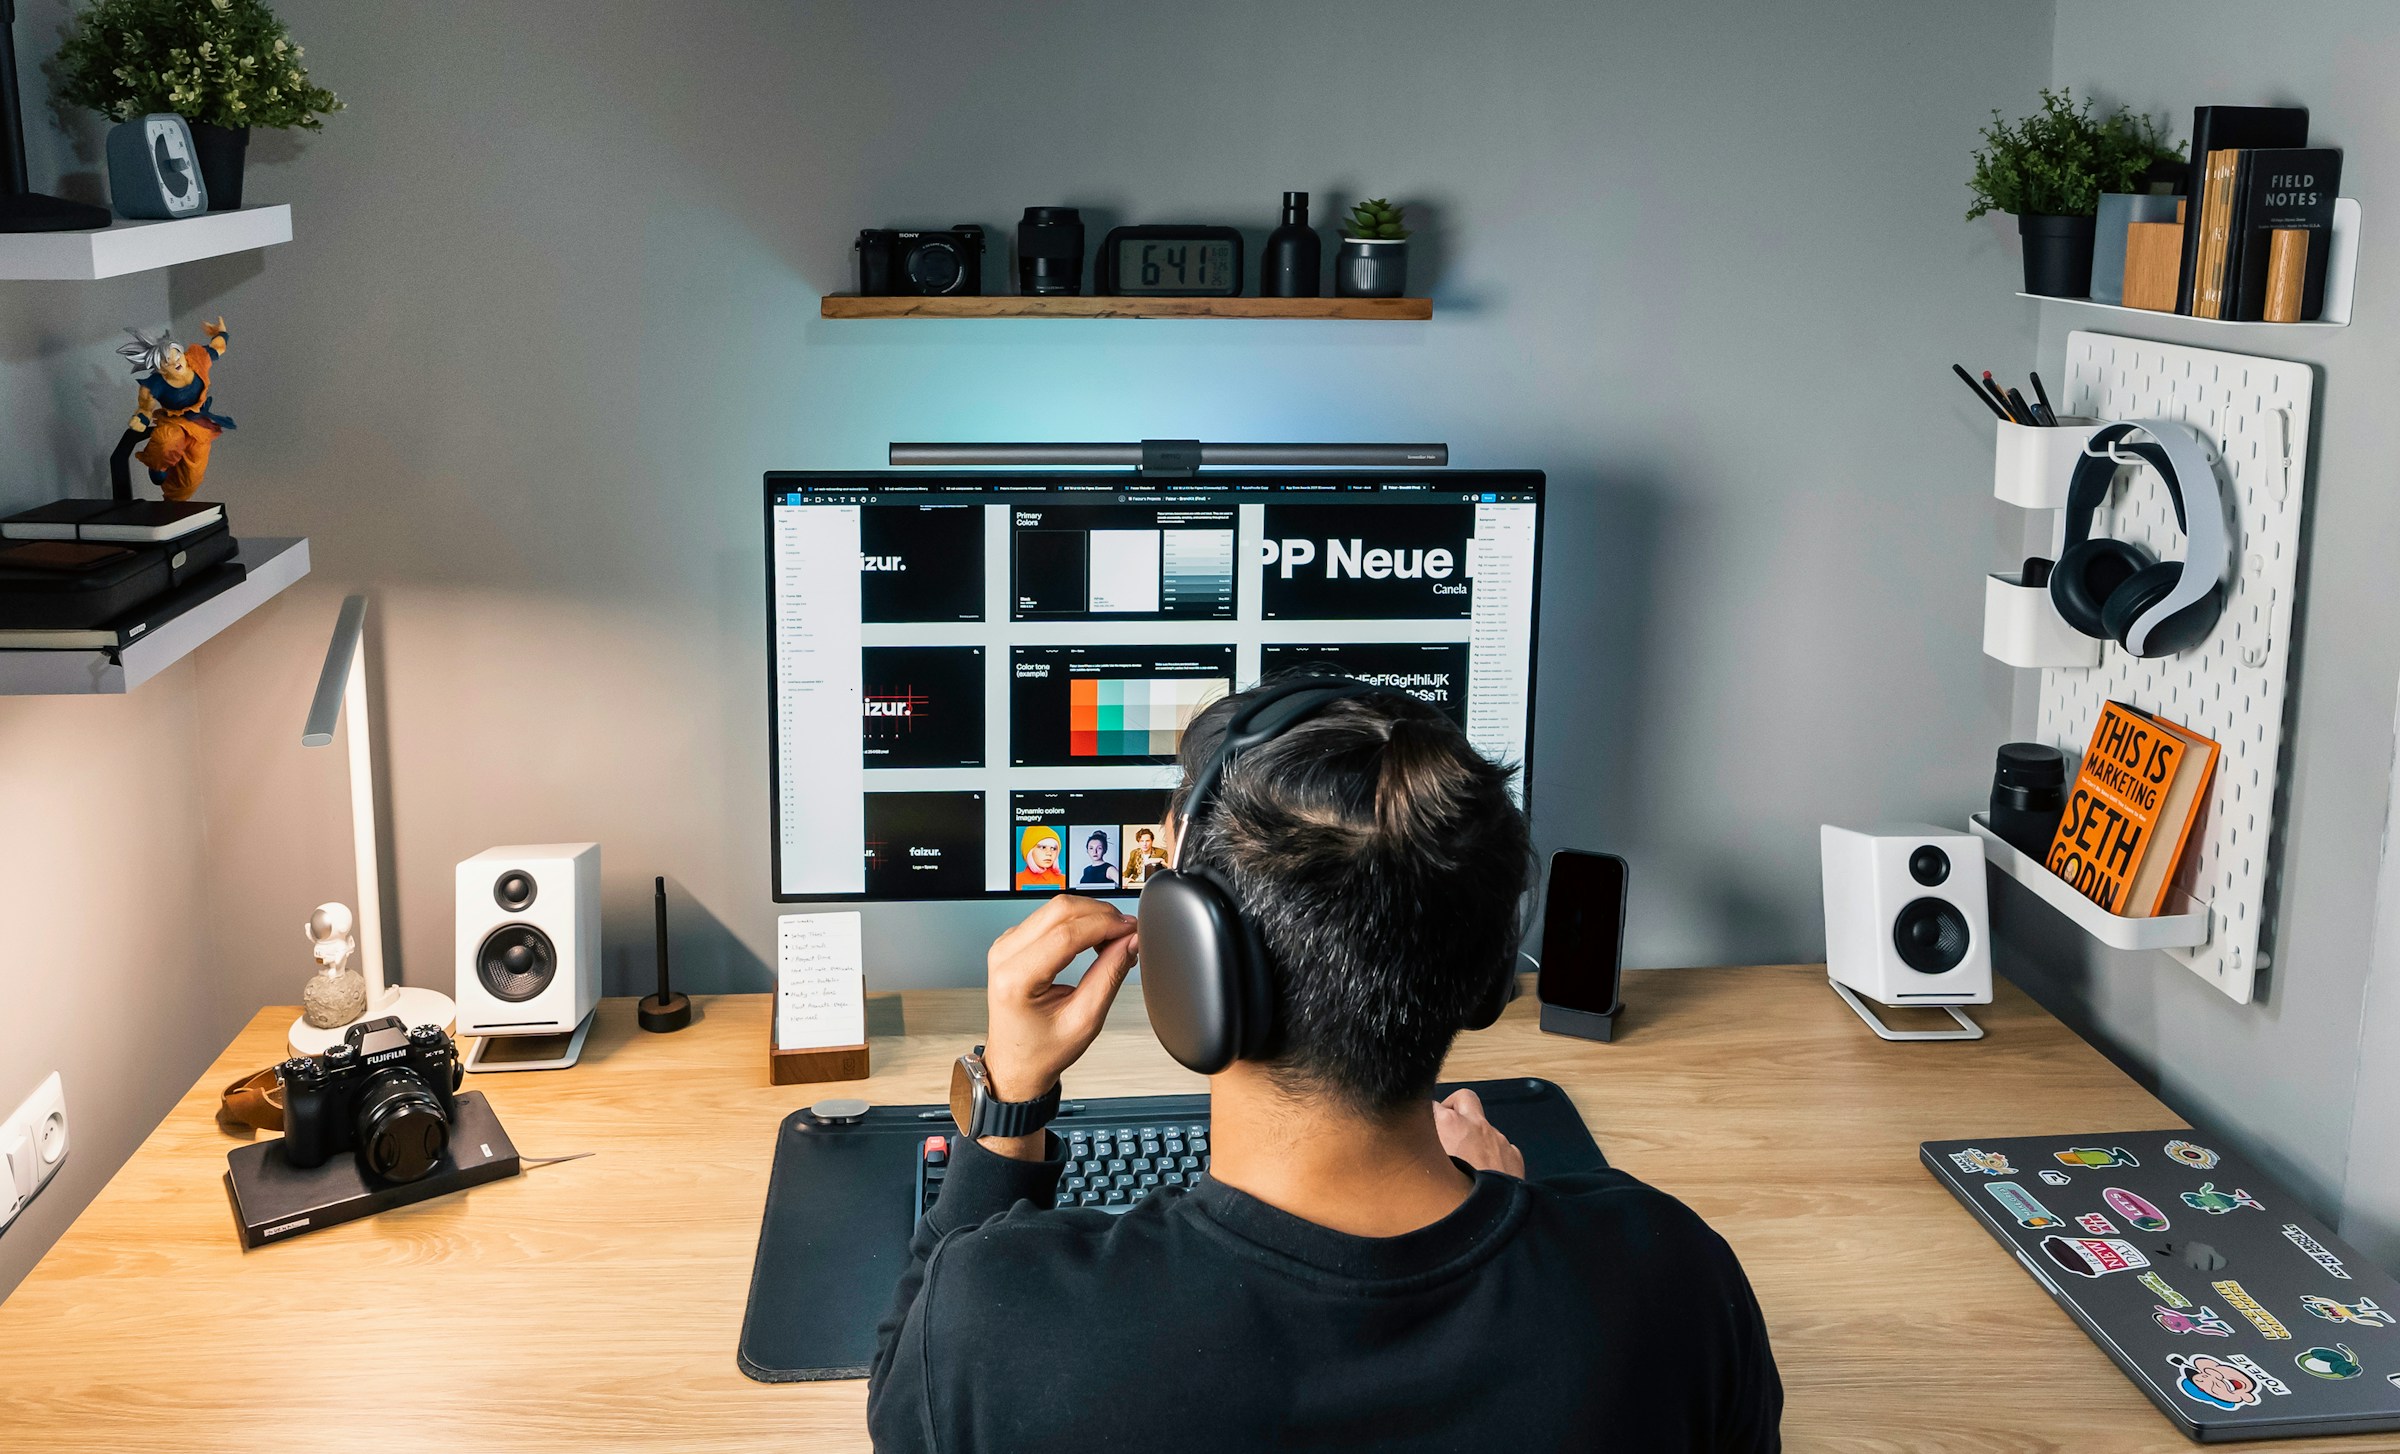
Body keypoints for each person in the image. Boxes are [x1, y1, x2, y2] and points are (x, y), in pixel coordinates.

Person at [870, 684, 1782, 1451]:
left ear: (1195, 965)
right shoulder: (1673, 1281)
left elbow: (902, 1414)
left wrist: (1008, 1107)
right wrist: (1525, 1223)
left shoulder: (996, 1322)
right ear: (1489, 972)